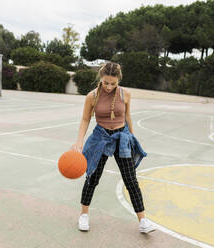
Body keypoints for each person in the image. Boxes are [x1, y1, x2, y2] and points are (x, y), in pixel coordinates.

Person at [71, 62, 156, 234]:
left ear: (118, 80)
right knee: (92, 177)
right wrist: (79, 141)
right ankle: (84, 215)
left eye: (113, 83)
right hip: (100, 138)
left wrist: (132, 136)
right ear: (100, 78)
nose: (109, 87)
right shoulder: (92, 96)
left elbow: (127, 116)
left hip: (122, 137)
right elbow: (85, 119)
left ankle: (143, 221)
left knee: (131, 180)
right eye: (106, 83)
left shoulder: (126, 94)